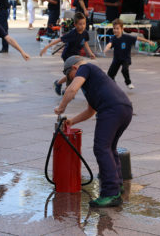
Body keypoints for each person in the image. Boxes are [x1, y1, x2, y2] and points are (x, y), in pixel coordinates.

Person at [54, 55, 133, 208]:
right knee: (109, 148)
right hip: (124, 109)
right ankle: (117, 185)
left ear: (75, 68)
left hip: (112, 110)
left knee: (101, 148)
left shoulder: (85, 68)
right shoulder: (94, 80)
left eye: (70, 76)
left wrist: (61, 107)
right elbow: (91, 111)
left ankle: (111, 193)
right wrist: (72, 121)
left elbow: (71, 90)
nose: (72, 80)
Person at [40, 12, 95, 95]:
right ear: (75, 25)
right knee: (74, 73)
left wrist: (90, 53)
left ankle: (59, 84)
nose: (82, 26)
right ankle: (66, 90)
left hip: (76, 56)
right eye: (80, 24)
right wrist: (46, 47)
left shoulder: (85, 33)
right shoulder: (72, 34)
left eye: (84, 24)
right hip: (68, 56)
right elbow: (59, 40)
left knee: (73, 74)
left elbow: (85, 43)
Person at [104, 19, 155, 89]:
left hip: (125, 58)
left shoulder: (127, 37)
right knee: (110, 75)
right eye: (114, 28)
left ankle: (128, 83)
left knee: (124, 70)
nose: (115, 30)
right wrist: (106, 48)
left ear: (122, 29)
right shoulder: (113, 38)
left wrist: (148, 41)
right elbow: (110, 44)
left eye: (117, 28)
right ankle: (113, 86)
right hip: (117, 59)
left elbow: (138, 38)